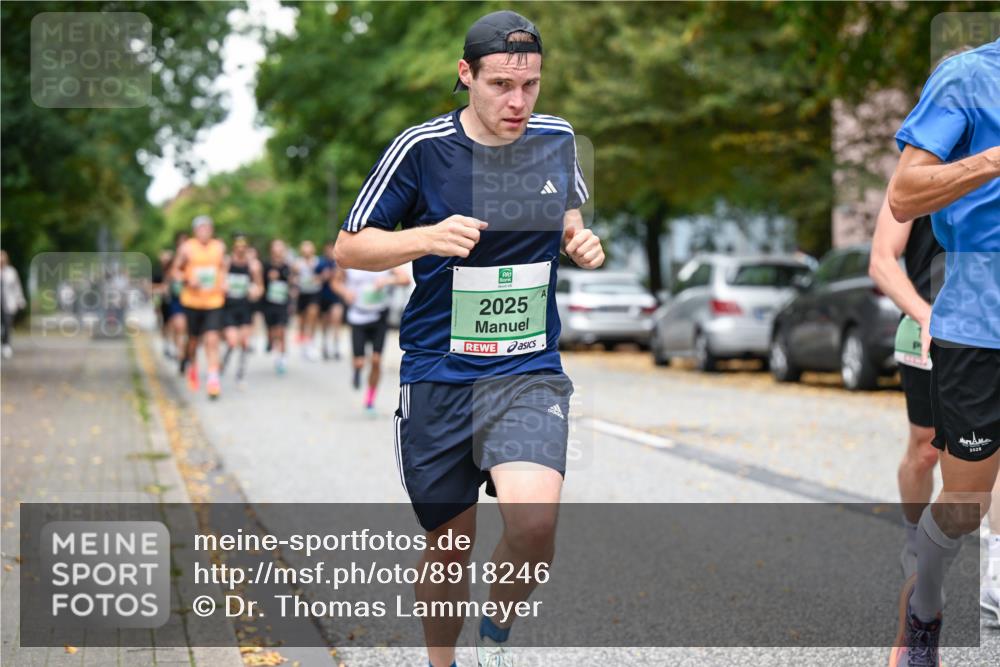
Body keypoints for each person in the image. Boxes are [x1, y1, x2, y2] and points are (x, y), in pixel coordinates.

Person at [334, 11, 602, 667]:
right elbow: (348, 245)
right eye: (502, 85)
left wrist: (578, 237)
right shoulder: (421, 149)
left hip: (527, 370)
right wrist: (424, 236)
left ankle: (496, 634)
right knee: (450, 544)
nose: (517, 102)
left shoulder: (558, 140)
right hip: (439, 374)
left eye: (530, 85)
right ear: (466, 75)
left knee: (534, 526)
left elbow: (567, 213)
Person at [885, 37, 1000, 666]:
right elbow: (904, 195)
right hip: (980, 326)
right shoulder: (967, 77)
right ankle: (923, 608)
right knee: (963, 506)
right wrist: (992, 161)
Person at [334, 266, 410, 411]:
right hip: (358, 317)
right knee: (359, 362)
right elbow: (335, 282)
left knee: (376, 360)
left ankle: (370, 400)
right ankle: (357, 370)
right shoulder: (352, 261)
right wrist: (345, 292)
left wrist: (388, 280)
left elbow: (406, 279)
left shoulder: (385, 260)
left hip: (379, 317)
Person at [175, 216, 226, 399]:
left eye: (208, 228)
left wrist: (224, 282)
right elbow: (176, 271)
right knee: (194, 341)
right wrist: (188, 279)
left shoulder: (219, 247)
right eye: (201, 228)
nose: (205, 231)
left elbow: (223, 268)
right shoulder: (187, 247)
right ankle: (193, 368)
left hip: (214, 301)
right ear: (195, 230)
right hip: (192, 301)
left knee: (212, 339)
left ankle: (213, 379)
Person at [221, 233, 263, 384]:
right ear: (234, 247)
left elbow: (260, 287)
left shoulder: (253, 265)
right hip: (229, 307)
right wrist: (223, 286)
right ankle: (224, 361)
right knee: (232, 341)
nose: (240, 249)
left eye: (243, 246)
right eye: (238, 246)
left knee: (244, 341)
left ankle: (240, 373)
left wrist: (256, 291)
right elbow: (219, 281)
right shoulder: (227, 262)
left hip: (245, 307)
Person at [262, 239, 295, 375]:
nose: (278, 251)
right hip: (268, 304)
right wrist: (268, 278)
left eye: (281, 248)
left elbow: (292, 284)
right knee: (272, 331)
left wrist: (292, 299)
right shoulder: (265, 266)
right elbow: (260, 283)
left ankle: (281, 358)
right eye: (276, 248)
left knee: (281, 331)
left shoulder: (287, 267)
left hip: (282, 303)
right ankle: (269, 340)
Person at [295, 240, 323, 359]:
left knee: (312, 315)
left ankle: (311, 343)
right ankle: (303, 345)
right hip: (302, 293)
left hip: (314, 293)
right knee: (302, 320)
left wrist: (318, 277)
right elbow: (292, 277)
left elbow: (325, 274)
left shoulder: (318, 262)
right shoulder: (298, 263)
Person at [317, 240, 344, 360]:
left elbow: (345, 279)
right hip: (324, 296)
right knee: (325, 322)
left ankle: (336, 347)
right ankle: (325, 345)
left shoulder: (340, 263)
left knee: (336, 320)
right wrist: (323, 277)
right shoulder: (321, 264)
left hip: (336, 297)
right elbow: (314, 279)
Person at [0, 250, 26, 359]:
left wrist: (20, 300)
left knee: (7, 325)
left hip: (9, 303)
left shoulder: (11, 272)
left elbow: (17, 287)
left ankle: (6, 345)